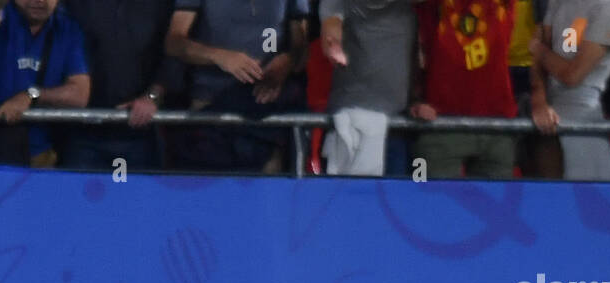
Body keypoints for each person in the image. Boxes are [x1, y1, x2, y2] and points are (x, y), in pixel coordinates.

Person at [165, 0, 310, 173]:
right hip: (208, 108)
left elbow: (300, 49)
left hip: (266, 111)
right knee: (207, 196)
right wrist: (219, 57)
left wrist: (286, 63)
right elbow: (173, 42)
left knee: (265, 196)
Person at [0, 0, 91, 167]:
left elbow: (79, 95)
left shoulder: (67, 29)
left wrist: (31, 96)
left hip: (37, 154)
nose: (39, 0)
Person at [59, 0, 180, 172]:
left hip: (137, 131)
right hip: (77, 129)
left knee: (130, 198)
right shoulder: (73, 4)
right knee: (75, 197)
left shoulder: (161, 5)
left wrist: (152, 96)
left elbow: (174, 55)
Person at [410, 0, 520, 179]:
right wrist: (413, 99)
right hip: (440, 124)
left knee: (497, 206)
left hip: (498, 126)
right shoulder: (432, 6)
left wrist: (539, 96)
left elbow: (539, 41)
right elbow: (407, 43)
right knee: (431, 203)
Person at [527, 0, 610, 180]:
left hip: (582, 114)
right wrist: (539, 99)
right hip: (546, 110)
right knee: (543, 197)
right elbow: (538, 58)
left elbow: (572, 75)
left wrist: (538, 49)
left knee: (583, 198)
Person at [317, 0, 418, 176]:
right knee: (345, 200)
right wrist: (333, 43)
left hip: (399, 126)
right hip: (349, 124)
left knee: (394, 201)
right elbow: (330, 24)